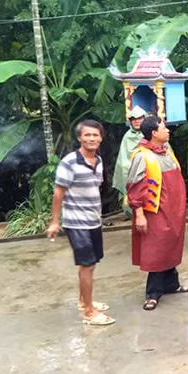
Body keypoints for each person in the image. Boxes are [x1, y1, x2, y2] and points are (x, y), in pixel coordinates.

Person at [47, 119, 116, 326]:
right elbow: (59, 192)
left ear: (101, 138)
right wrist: (54, 221)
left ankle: (82, 300)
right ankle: (88, 312)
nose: (92, 138)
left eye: (96, 135)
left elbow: (96, 188)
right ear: (79, 138)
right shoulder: (69, 162)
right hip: (76, 222)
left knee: (91, 264)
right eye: (87, 135)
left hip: (94, 220)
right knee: (87, 264)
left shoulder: (99, 161)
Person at [126, 115, 188, 310]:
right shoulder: (142, 156)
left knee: (170, 245)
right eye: (164, 128)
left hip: (173, 210)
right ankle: (152, 293)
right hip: (155, 212)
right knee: (157, 249)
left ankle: (172, 284)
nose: (168, 130)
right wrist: (139, 214)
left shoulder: (166, 152)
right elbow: (134, 187)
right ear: (154, 133)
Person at [113, 105, 148, 218]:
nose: (137, 121)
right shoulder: (127, 137)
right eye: (134, 119)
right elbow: (123, 159)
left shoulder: (151, 133)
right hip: (132, 172)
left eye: (139, 118)